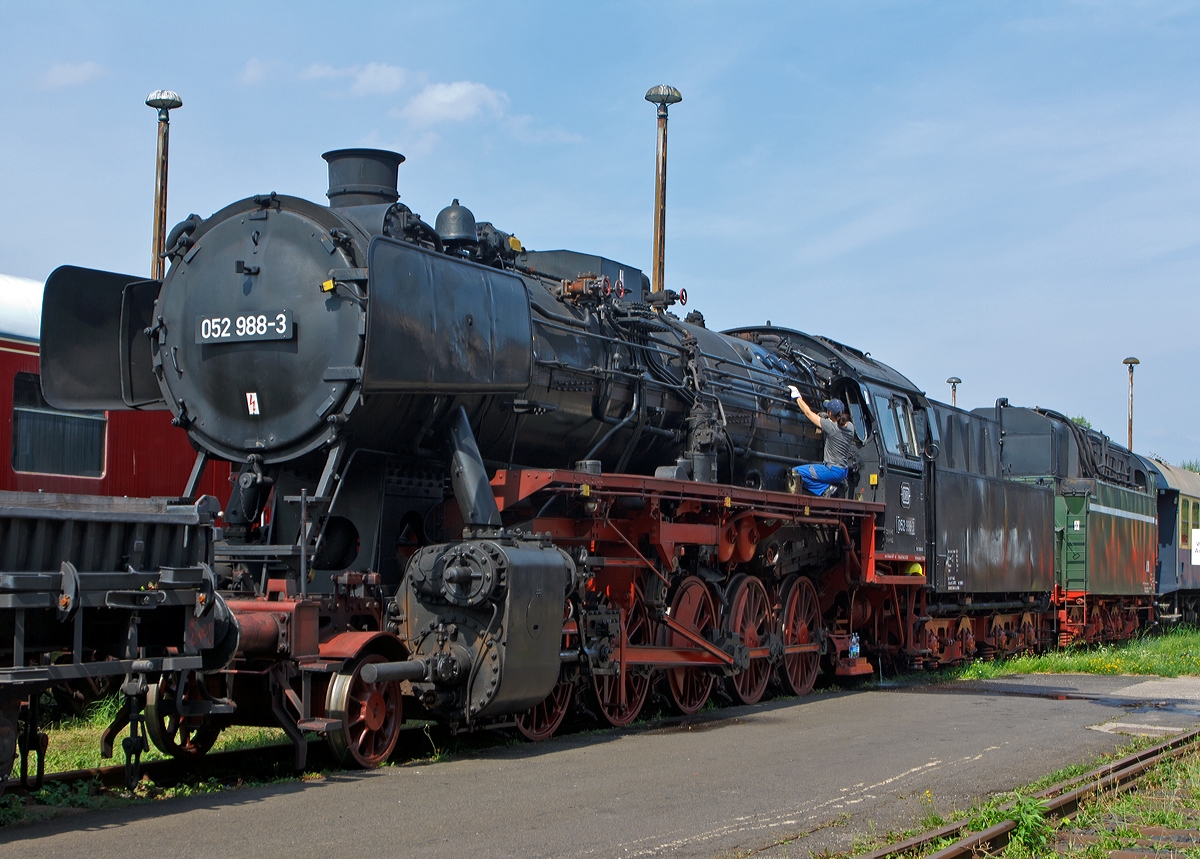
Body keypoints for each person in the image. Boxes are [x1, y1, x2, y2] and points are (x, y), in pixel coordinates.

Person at [787, 385, 856, 497]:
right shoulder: (850, 427)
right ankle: (839, 484)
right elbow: (837, 423)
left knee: (796, 473)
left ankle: (826, 489)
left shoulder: (830, 427)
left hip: (832, 470)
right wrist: (828, 418)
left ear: (829, 413)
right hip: (843, 471)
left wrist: (797, 397)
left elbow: (809, 414)